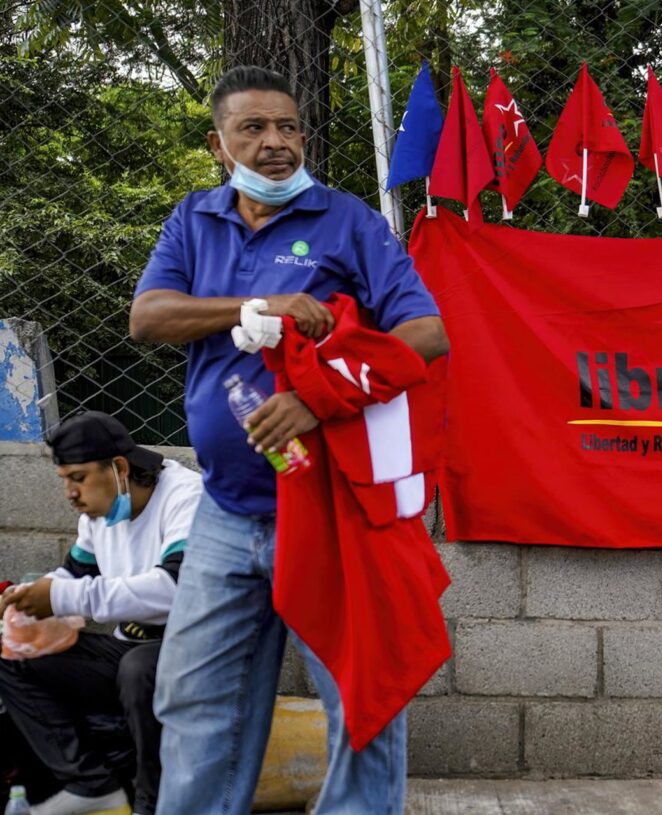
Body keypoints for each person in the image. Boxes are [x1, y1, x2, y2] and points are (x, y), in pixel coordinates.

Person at [129, 65, 448, 815]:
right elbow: (148, 317)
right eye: (253, 128)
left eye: (287, 127)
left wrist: (316, 396)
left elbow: (425, 332)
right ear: (218, 143)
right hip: (227, 509)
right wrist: (256, 302)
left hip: (334, 508)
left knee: (362, 697)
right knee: (195, 698)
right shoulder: (192, 220)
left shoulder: (349, 222)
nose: (275, 143)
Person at [0, 411, 203, 815]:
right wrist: (24, 601)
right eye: (64, 482)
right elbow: (74, 573)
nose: (70, 494)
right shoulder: (101, 512)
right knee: (12, 658)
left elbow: (175, 589)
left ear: (120, 467)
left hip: (192, 651)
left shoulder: (185, 496)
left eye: (78, 478)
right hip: (127, 645)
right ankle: (91, 786)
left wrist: (61, 598)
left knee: (139, 670)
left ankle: (153, 803)